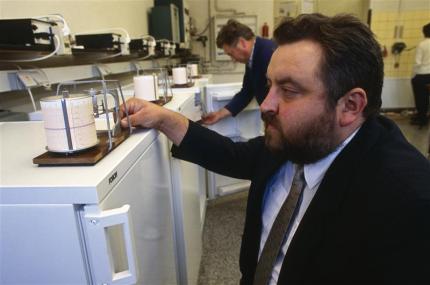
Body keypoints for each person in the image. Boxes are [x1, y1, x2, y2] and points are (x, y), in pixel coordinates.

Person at [120, 14, 430, 284]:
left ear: (350, 105)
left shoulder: (406, 201)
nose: (266, 106)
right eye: (269, 86)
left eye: (289, 91)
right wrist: (164, 118)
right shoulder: (296, 141)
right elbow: (234, 155)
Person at [201, 19, 276, 125]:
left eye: (231, 54)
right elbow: (247, 92)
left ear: (242, 43)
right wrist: (219, 114)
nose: (233, 59)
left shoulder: (267, 54)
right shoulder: (253, 56)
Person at [410, 22, 430, 127]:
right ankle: (425, 117)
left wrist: (413, 76)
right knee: (427, 98)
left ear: (424, 32)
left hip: (422, 75)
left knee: (420, 98)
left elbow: (417, 63)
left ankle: (421, 118)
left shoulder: (422, 45)